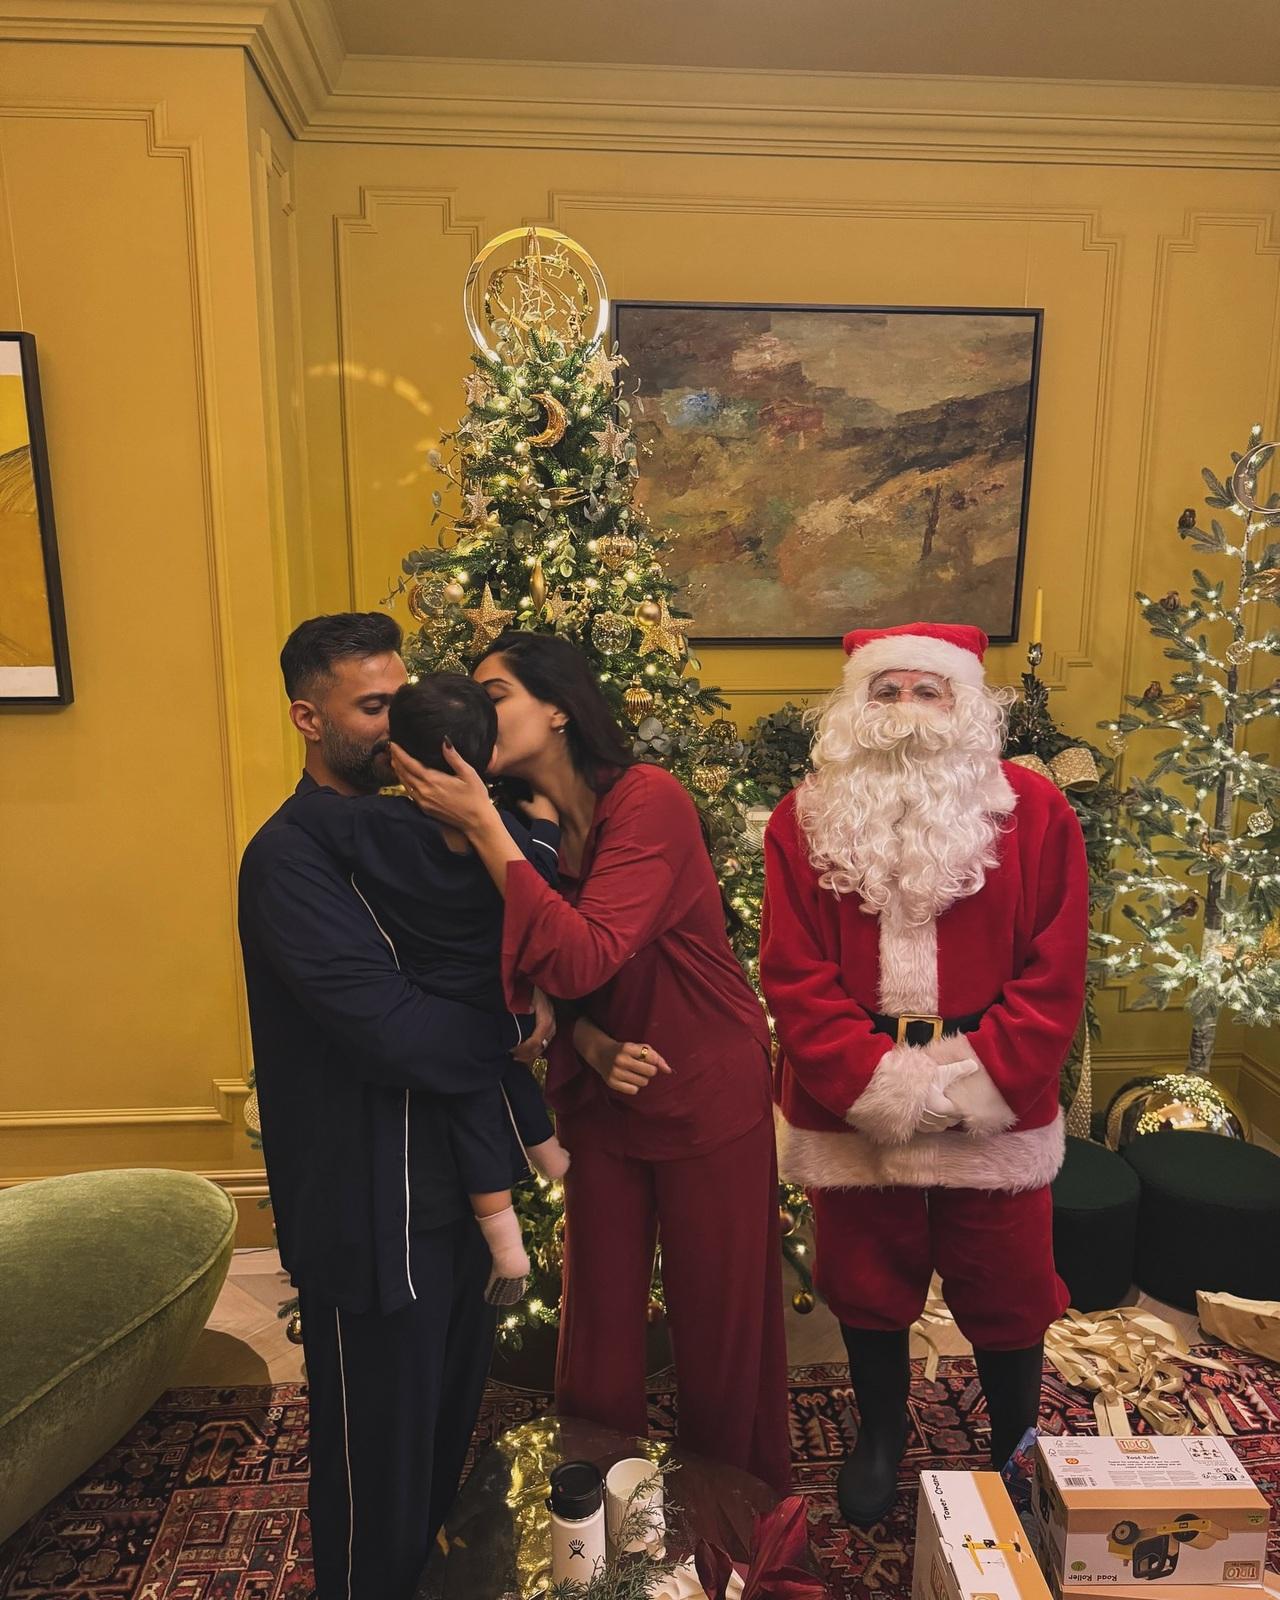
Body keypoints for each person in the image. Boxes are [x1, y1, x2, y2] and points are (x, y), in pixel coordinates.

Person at [389, 630, 792, 1496]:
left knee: (719, 1320)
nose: (476, 713)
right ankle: (597, 1521)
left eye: (494, 694)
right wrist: (586, 1040)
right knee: (598, 1320)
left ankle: (738, 1517)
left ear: (561, 706)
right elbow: (520, 986)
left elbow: (581, 955)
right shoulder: (522, 825)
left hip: (704, 1083)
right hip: (603, 1088)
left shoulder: (649, 800)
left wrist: (483, 830)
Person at [238, 612, 553, 1600]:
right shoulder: (288, 858)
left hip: (456, 1200)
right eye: (374, 706)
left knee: (439, 1445)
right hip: (368, 1213)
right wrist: (510, 1032)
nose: (402, 724)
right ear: (307, 716)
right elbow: (393, 1029)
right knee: (374, 1475)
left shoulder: (433, 837)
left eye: (404, 695)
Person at [759, 622, 1087, 1528]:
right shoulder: (804, 819)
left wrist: (980, 1084)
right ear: (855, 708)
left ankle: (1014, 1441)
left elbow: (1056, 972)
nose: (905, 711)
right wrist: (880, 1086)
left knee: (1010, 1282)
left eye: (927, 690)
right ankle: (880, 1434)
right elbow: (793, 976)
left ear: (967, 705)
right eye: (886, 691)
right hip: (850, 1096)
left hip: (999, 1095)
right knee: (866, 1275)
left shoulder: (1037, 812)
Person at [289, 673, 571, 1308]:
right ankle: (554, 1158)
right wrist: (547, 823)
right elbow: (541, 879)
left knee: (472, 1098)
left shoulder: (374, 825)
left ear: (397, 757)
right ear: (491, 756)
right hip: (500, 989)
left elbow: (316, 816)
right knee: (508, 1074)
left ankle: (506, 1249)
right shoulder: (501, 833)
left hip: (440, 995)